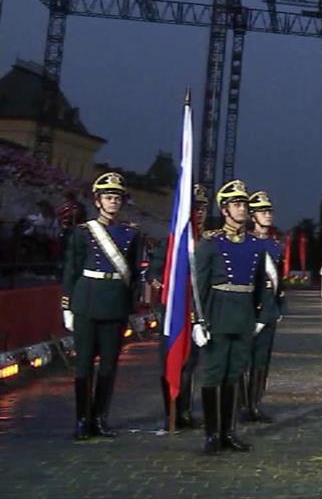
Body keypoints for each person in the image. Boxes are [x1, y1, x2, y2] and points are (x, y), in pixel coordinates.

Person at [62, 172, 144, 441]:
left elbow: (134, 273)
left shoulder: (131, 234)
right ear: (98, 201)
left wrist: (131, 307)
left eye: (117, 198)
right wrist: (67, 306)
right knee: (84, 364)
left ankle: (99, 418)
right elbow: (71, 270)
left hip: (115, 303)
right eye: (108, 198)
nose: (113, 202)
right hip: (86, 301)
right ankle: (82, 420)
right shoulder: (83, 232)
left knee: (109, 365)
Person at [192, 180, 267, 454]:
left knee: (234, 374)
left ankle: (228, 432)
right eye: (236, 204)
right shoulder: (211, 243)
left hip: (243, 314)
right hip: (218, 313)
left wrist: (260, 315)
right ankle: (212, 435)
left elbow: (259, 284)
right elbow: (199, 285)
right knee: (213, 374)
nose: (242, 209)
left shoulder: (255, 245)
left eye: (244, 204)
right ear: (224, 210)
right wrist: (197, 320)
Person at [153, 182, 208, 431]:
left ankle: (184, 411)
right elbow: (154, 271)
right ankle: (171, 413)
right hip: (175, 311)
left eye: (203, 208)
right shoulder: (173, 242)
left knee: (191, 364)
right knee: (171, 362)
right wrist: (161, 282)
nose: (199, 213)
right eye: (195, 208)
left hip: (199, 312)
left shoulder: (208, 241)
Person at [243, 190, 285, 423]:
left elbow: (279, 280)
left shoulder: (275, 245)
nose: (268, 215)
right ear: (253, 216)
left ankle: (255, 405)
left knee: (261, 360)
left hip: (269, 310)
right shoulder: (245, 243)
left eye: (269, 211)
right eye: (262, 212)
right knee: (242, 360)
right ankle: (241, 405)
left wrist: (279, 307)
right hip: (248, 309)